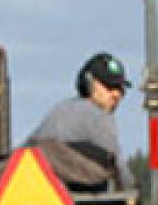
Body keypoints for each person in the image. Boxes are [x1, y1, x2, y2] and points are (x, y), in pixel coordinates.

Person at [26, 52, 131, 192]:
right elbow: (119, 170)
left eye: (120, 89)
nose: (117, 94)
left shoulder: (59, 110)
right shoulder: (98, 117)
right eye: (109, 87)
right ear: (88, 83)